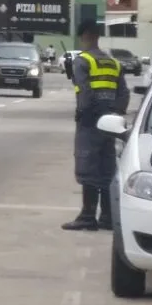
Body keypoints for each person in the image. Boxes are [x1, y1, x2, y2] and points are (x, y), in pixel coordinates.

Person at [63, 19, 129, 232]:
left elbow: (84, 91)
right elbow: (123, 93)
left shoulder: (82, 61)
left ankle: (87, 216)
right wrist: (115, 114)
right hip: (111, 123)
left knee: (88, 166)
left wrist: (84, 114)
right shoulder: (114, 63)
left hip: (90, 122)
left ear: (85, 36)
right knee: (106, 168)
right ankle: (108, 217)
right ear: (97, 36)